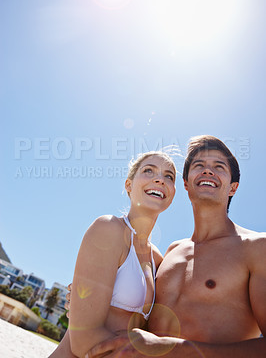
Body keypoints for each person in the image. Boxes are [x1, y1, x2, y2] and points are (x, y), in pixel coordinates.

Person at [88, 135, 266, 358]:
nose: (208, 171)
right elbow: (136, 316)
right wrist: (88, 301)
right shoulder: (170, 254)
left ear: (233, 187)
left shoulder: (257, 248)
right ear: (186, 185)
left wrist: (171, 350)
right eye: (199, 165)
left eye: (218, 166)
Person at [49, 150, 176, 358]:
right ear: (129, 185)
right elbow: (83, 340)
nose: (160, 179)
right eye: (149, 170)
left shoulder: (159, 261)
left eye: (168, 176)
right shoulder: (108, 229)